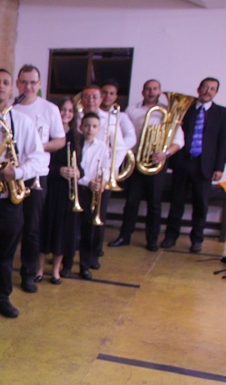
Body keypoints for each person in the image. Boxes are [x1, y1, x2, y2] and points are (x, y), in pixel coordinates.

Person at [0, 69, 47, 318]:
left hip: (9, 195)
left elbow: (40, 160)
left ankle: (2, 297)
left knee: (5, 252)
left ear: (13, 90)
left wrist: (18, 173)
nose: (0, 86)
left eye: (6, 83)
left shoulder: (22, 122)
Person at [111, 79, 183, 251]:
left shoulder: (168, 112)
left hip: (157, 163)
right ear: (143, 91)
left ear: (159, 91)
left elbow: (180, 141)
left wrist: (164, 154)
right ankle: (124, 236)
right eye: (148, 89)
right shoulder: (132, 110)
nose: (151, 92)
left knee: (154, 203)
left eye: (155, 89)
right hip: (136, 161)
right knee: (131, 202)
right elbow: (123, 134)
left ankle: (152, 240)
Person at [14, 64, 65, 291]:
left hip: (36, 174)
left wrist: (36, 147)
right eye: (24, 82)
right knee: (9, 226)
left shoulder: (50, 109)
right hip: (12, 174)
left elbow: (60, 140)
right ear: (18, 83)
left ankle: (28, 273)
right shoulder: (11, 107)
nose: (29, 86)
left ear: (40, 84)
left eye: (33, 82)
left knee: (32, 228)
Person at [162, 77, 226, 253]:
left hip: (204, 166)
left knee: (201, 204)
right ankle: (170, 236)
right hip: (183, 162)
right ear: (198, 89)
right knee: (177, 202)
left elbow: (223, 143)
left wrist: (220, 168)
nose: (208, 91)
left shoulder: (222, 113)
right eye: (205, 87)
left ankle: (197, 239)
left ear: (216, 92)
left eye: (212, 89)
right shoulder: (185, 108)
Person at [77, 85, 130, 269]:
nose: (90, 100)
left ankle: (94, 254)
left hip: (100, 179)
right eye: (87, 97)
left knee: (97, 219)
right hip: (80, 180)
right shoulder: (77, 117)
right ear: (82, 99)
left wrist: (106, 176)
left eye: (94, 97)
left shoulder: (111, 120)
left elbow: (120, 147)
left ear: (101, 100)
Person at [40, 103, 84, 284]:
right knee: (45, 228)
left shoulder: (77, 137)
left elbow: (81, 164)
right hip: (50, 186)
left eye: (70, 110)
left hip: (67, 190)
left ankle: (56, 270)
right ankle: (39, 268)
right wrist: (59, 171)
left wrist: (79, 172)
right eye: (63, 110)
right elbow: (42, 163)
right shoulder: (49, 135)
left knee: (61, 230)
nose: (66, 113)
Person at [76, 113, 109, 279]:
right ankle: (66, 264)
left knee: (89, 230)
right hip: (77, 188)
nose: (90, 129)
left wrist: (102, 182)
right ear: (81, 127)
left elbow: (106, 168)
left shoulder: (102, 147)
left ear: (99, 129)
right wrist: (88, 181)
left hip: (92, 192)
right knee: (73, 229)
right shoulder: (76, 144)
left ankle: (85, 265)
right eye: (87, 125)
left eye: (94, 126)